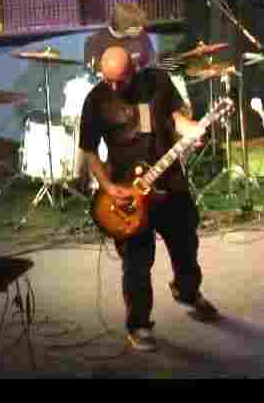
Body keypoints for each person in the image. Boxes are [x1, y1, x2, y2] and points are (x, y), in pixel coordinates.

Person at [78, 46, 219, 352]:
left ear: (134, 68)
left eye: (121, 80)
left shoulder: (157, 81)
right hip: (127, 191)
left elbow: (176, 118)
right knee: (137, 262)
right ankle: (139, 324)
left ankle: (187, 292)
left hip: (169, 181)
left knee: (186, 244)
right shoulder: (96, 100)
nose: (115, 86)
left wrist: (192, 131)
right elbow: (89, 151)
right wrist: (107, 186)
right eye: (108, 80)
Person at [84, 3, 155, 74]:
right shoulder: (94, 42)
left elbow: (151, 61)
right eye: (136, 26)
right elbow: (92, 72)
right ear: (123, 26)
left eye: (141, 25)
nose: (141, 29)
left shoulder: (141, 35)